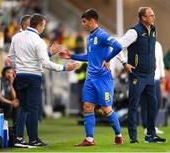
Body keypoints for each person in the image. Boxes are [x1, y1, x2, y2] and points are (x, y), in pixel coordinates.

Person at [8, 14, 79, 148]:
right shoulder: (39, 41)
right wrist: (64, 67)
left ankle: (18, 138)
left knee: (23, 107)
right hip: (33, 76)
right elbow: (45, 64)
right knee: (33, 109)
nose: (44, 28)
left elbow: (11, 57)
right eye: (44, 25)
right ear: (39, 25)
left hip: (20, 75)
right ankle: (33, 140)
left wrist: (18, 68)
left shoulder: (16, 37)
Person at [59, 9, 124, 146]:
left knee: (106, 109)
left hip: (102, 78)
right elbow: (89, 57)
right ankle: (89, 139)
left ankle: (119, 136)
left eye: (84, 21)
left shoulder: (102, 35)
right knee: (87, 106)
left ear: (92, 20)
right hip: (90, 78)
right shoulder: (89, 37)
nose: (82, 24)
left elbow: (118, 46)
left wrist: (107, 59)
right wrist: (71, 56)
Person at [117, 7, 166, 143]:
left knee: (153, 104)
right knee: (134, 105)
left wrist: (154, 62)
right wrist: (124, 63)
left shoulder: (153, 30)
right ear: (143, 18)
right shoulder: (134, 32)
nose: (154, 18)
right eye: (151, 15)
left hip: (150, 75)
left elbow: (150, 50)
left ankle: (150, 135)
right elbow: (117, 46)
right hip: (137, 75)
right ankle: (133, 138)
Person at [141, 41, 165, 134]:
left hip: (156, 78)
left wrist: (162, 75)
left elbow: (160, 61)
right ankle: (146, 126)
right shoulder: (141, 43)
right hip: (145, 77)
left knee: (157, 102)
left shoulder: (158, 45)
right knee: (146, 103)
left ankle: (152, 125)